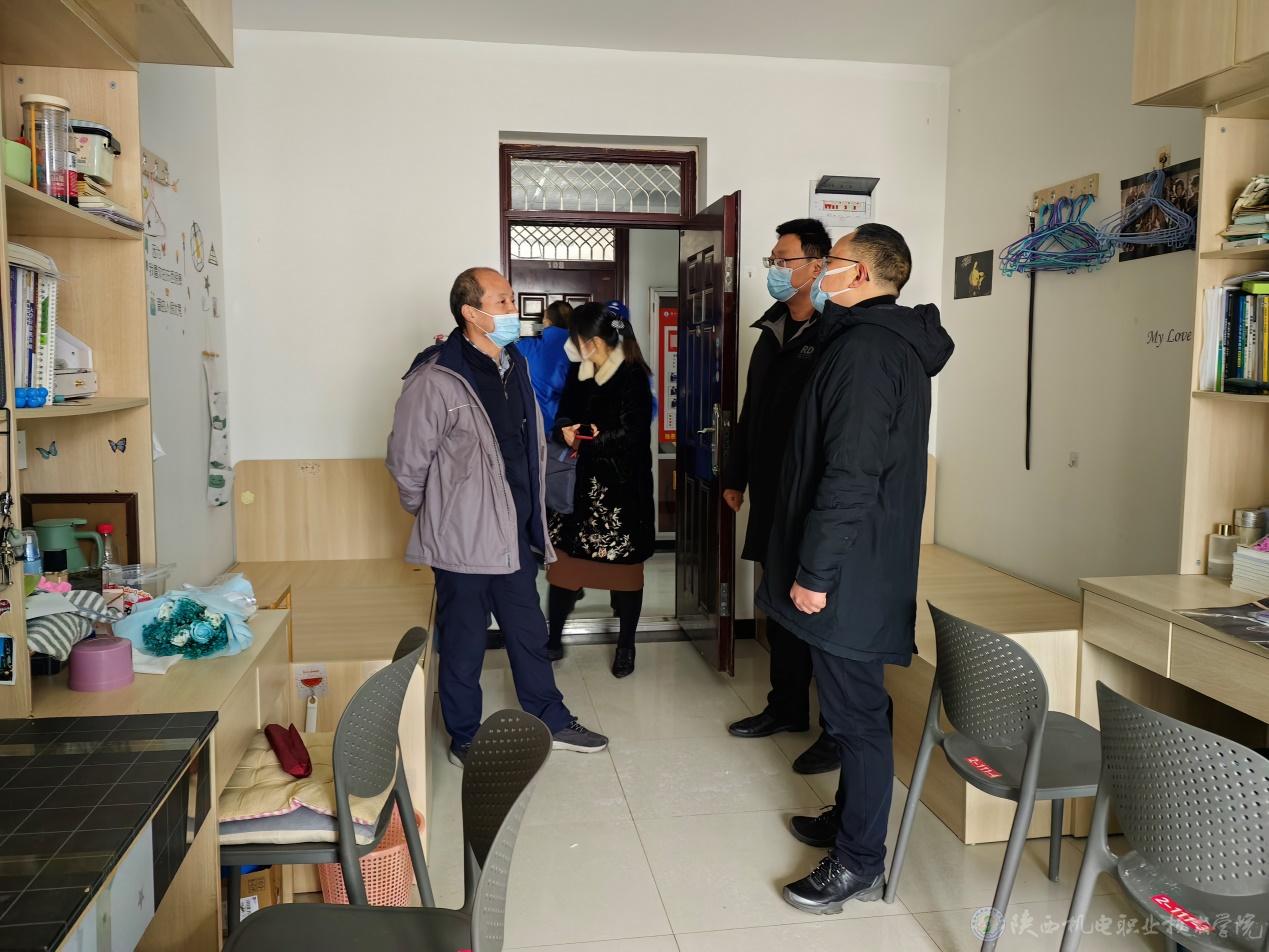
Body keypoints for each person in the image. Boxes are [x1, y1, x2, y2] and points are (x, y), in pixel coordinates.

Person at [757, 225, 953, 914]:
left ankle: (859, 862)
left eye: (830, 261)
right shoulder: (872, 341)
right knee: (852, 709)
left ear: (862, 274)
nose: (817, 272)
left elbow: (850, 473)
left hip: (849, 569)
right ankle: (848, 820)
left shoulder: (868, 349)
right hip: (859, 561)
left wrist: (815, 573)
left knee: (857, 718)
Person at [386, 266, 608, 765]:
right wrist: (440, 515)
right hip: (463, 540)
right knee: (464, 644)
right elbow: (406, 462)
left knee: (528, 633)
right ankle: (465, 737)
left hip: (515, 533)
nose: (513, 310)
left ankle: (552, 719)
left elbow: (520, 441)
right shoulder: (436, 377)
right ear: (471, 313)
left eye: (511, 299)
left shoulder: (514, 365)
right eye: (503, 301)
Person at [724, 218, 840, 776]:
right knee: (778, 603)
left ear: (817, 266)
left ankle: (838, 730)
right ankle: (787, 707)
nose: (773, 269)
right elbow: (753, 412)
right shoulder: (772, 330)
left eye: (783, 260)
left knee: (822, 614)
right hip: (773, 494)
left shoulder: (838, 332)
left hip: (816, 500)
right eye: (771, 260)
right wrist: (736, 475)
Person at [545, 301, 655, 678]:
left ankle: (626, 646)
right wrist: (564, 429)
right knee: (564, 570)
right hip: (577, 491)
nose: (571, 344)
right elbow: (564, 412)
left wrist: (586, 440)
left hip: (620, 493)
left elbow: (633, 435)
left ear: (591, 340)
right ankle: (553, 637)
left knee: (624, 575)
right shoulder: (580, 370)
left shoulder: (632, 374)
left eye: (575, 337)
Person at [518, 300, 573, 433]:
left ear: (547, 322)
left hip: (536, 424)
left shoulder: (526, 346)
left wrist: (535, 328)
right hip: (571, 425)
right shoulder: (582, 347)